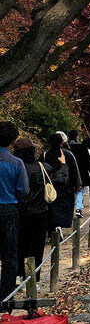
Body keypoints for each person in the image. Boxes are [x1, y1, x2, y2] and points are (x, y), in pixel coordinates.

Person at [0, 120, 28, 306]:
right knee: (9, 255)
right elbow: (23, 190)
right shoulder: (16, 163)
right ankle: (6, 295)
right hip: (9, 209)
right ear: (12, 141)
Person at [13, 139, 49, 281]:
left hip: (19, 211)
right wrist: (63, 165)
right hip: (39, 212)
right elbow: (60, 178)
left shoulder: (15, 166)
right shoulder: (41, 166)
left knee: (18, 245)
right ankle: (34, 278)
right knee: (36, 247)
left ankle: (18, 275)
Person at [46, 131, 81, 231]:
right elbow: (74, 169)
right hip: (66, 185)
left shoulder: (45, 155)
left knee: (52, 206)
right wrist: (78, 183)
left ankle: (52, 228)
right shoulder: (68, 154)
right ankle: (59, 226)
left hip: (50, 185)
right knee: (64, 207)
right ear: (62, 142)